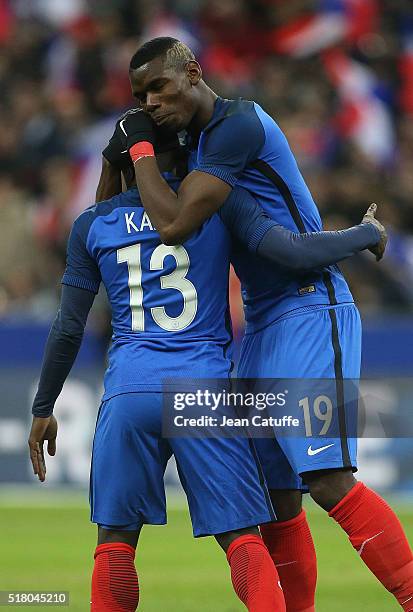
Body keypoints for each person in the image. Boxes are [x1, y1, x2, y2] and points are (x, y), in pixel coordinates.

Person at [28, 122, 385, 611]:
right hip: (204, 394)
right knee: (243, 541)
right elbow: (289, 250)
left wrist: (44, 407)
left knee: (114, 547)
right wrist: (362, 235)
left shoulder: (92, 224)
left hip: (129, 393)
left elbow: (68, 328)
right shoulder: (215, 205)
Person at [110, 36, 413, 612]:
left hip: (310, 308)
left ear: (194, 72)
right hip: (262, 323)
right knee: (274, 498)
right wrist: (118, 156)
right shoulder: (202, 149)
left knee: (325, 478)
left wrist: (142, 154)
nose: (149, 102)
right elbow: (265, 240)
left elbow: (174, 225)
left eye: (158, 87)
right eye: (139, 95)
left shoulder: (238, 126)